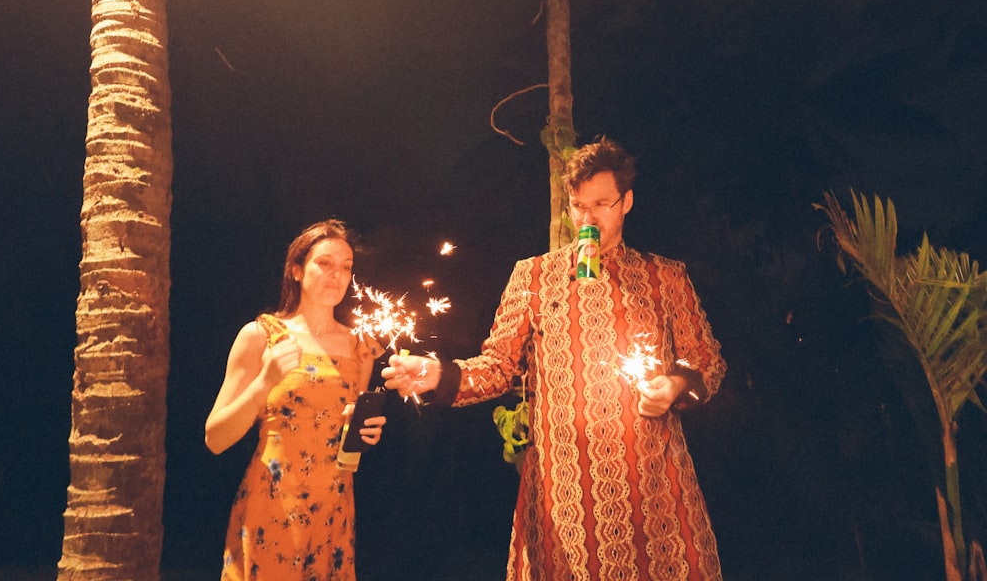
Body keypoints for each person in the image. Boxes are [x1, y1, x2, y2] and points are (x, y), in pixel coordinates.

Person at [384, 137, 727, 581]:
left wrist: (676, 387)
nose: (587, 218)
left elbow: (708, 361)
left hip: (652, 487)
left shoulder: (665, 277)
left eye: (601, 204)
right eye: (578, 206)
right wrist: (438, 375)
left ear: (626, 203)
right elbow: (497, 368)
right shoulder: (534, 276)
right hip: (565, 493)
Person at [205, 219, 386, 581]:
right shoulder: (262, 336)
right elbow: (215, 438)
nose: (337, 275)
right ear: (297, 269)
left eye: (346, 267)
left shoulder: (361, 347)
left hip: (333, 508)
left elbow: (349, 453)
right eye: (325, 263)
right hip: (272, 503)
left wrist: (364, 434)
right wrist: (263, 384)